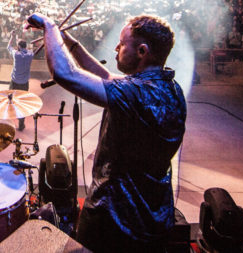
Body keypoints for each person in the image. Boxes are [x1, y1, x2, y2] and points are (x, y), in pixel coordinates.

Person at [26, 13, 186, 252]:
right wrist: (68, 42)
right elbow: (108, 77)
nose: (116, 47)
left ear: (142, 51)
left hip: (115, 219)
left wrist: (50, 27)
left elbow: (64, 74)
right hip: (154, 215)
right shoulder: (171, 89)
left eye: (122, 44)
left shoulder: (134, 94)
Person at [7, 30, 34, 131]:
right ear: (25, 46)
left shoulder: (16, 54)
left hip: (14, 82)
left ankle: (7, 119)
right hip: (24, 83)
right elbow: (31, 50)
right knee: (22, 103)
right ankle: (21, 124)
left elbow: (8, 47)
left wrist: (12, 37)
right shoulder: (30, 54)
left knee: (9, 99)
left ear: (18, 47)